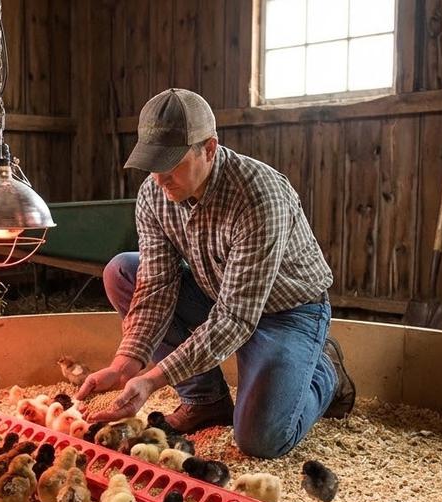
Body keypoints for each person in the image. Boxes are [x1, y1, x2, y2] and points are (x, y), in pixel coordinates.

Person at [75, 88, 355, 460]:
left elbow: (236, 319)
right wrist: (126, 364)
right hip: (218, 293)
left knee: (261, 440)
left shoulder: (258, 195)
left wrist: (154, 378)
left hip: (287, 313)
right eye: (152, 164)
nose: (159, 179)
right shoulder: (154, 194)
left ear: (209, 148)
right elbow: (156, 287)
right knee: (123, 271)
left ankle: (323, 373)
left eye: (171, 164)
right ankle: (205, 401)